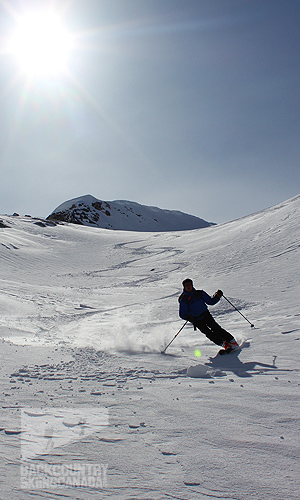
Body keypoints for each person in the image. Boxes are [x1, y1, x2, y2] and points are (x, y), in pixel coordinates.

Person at [179, 278, 239, 351]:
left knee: (216, 328)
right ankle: (224, 344)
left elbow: (211, 301)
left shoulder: (200, 293)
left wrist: (217, 296)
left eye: (189, 285)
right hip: (197, 320)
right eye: (186, 285)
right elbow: (182, 314)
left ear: (192, 285)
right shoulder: (184, 299)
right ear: (184, 287)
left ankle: (232, 341)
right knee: (209, 333)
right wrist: (190, 319)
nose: (188, 287)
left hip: (206, 315)